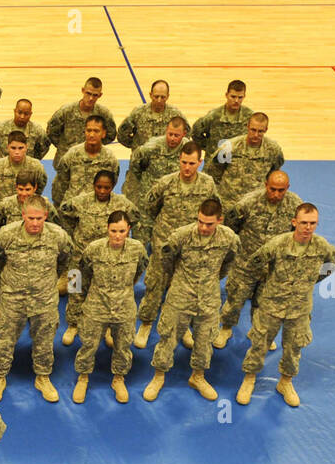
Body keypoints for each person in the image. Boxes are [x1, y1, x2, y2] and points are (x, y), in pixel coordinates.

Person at [236, 203, 335, 407]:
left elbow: (331, 265)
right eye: (303, 223)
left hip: (299, 308)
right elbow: (254, 263)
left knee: (294, 348)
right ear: (294, 222)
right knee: (259, 343)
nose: (308, 227)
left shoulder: (322, 247)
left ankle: (286, 382)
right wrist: (267, 281)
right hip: (272, 304)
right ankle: (249, 379)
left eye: (312, 223)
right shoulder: (278, 244)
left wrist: (310, 282)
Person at [142, 198, 239, 402]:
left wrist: (212, 279)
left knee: (205, 340)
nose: (203, 227)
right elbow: (166, 260)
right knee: (168, 336)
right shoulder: (182, 236)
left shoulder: (229, 238)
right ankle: (159, 376)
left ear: (219, 220)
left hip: (209, 297)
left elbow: (229, 262)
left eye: (209, 223)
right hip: (180, 295)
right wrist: (178, 279)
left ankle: (198, 377)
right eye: (200, 221)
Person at [0, 196, 74, 403]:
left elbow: (65, 260)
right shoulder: (6, 235)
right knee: (4, 340)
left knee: (44, 341)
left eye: (39, 218)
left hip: (44, 298)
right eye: (31, 218)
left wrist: (51, 281)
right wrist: (5, 282)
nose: (35, 223)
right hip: (12, 298)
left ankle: (42, 377)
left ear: (46, 216)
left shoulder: (58, 236)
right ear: (23, 215)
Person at [136, 142, 216, 347]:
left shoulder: (208, 185)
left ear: (200, 162)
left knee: (186, 287)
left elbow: (211, 211)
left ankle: (183, 327)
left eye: (191, 163)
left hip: (192, 245)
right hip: (165, 241)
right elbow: (150, 207)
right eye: (183, 162)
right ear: (178, 160)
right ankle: (146, 322)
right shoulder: (166, 183)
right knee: (155, 283)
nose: (187, 167)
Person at [215, 170, 301, 348]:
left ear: (288, 188)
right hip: (245, 263)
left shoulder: (295, 205)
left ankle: (258, 330)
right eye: (272, 189)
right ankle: (226, 328)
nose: (276, 194)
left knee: (264, 302)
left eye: (281, 190)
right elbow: (231, 227)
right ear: (265, 185)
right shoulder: (248, 203)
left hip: (272, 267)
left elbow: (296, 235)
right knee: (235, 299)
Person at [72, 211, 148, 404]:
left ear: (128, 229)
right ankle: (83, 377)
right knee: (88, 344)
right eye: (113, 230)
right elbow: (81, 272)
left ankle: (119, 378)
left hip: (124, 306)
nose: (117, 235)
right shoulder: (94, 249)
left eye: (122, 231)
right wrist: (82, 298)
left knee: (123, 346)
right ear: (107, 229)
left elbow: (140, 269)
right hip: (97, 304)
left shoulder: (137, 249)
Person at [59, 171, 138, 345]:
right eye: (99, 187)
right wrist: (74, 232)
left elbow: (135, 217)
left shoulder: (122, 204)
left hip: (107, 259)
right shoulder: (81, 201)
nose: (102, 191)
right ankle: (73, 324)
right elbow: (64, 212)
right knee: (75, 288)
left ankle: (109, 328)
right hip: (79, 255)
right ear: (93, 186)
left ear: (113, 187)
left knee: (109, 292)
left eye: (106, 187)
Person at [206, 112, 284, 205]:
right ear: (247, 126)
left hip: (255, 204)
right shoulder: (229, 147)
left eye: (260, 131)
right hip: (228, 203)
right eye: (253, 130)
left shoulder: (273, 150)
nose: (256, 135)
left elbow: (273, 174)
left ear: (266, 130)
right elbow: (213, 173)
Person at [46, 78, 116, 170]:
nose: (91, 98)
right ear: (83, 90)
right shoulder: (66, 111)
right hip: (66, 163)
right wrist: (64, 147)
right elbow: (51, 132)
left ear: (100, 95)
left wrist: (95, 146)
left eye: (95, 95)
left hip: (93, 164)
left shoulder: (103, 114)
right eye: (88, 93)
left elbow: (110, 135)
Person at [50, 115, 118, 207]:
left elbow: (112, 183)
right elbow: (60, 184)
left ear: (104, 133)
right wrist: (59, 206)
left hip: (98, 209)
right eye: (89, 130)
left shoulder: (110, 159)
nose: (91, 135)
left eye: (96, 131)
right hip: (73, 207)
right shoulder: (71, 155)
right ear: (84, 132)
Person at [123, 116, 188, 204]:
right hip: (150, 196)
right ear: (166, 131)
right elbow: (135, 164)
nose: (172, 138)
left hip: (174, 198)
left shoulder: (187, 149)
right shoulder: (151, 147)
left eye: (176, 135)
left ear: (184, 134)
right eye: (170, 134)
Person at [191, 79, 252, 162]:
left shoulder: (249, 116)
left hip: (238, 164)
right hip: (214, 164)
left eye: (240, 97)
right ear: (226, 95)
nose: (236, 101)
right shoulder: (214, 115)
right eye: (233, 97)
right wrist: (209, 147)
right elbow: (196, 131)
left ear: (244, 96)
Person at [0, 130, 48, 202]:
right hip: (3, 209)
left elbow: (39, 188)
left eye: (21, 148)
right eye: (13, 148)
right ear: (8, 147)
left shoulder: (36, 166)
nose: (17, 152)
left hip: (28, 209)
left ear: (26, 147)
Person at [117, 79, 183, 151]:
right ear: (150, 95)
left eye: (163, 97)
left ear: (167, 96)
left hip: (165, 160)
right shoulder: (138, 113)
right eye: (156, 96)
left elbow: (186, 134)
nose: (159, 100)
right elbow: (122, 134)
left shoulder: (175, 114)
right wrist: (136, 147)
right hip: (141, 160)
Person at [0, 98, 50, 162]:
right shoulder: (0, 127)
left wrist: (32, 162)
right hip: (3, 168)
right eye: (19, 112)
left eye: (26, 114)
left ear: (30, 114)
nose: (22, 116)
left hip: (27, 169)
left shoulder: (37, 131)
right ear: (14, 111)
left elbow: (43, 148)